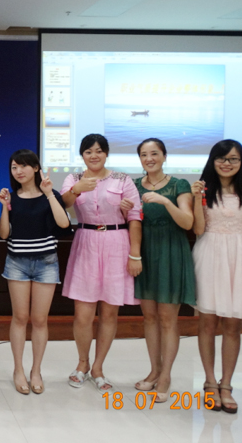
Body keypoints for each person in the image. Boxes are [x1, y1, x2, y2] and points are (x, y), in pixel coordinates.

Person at [60, 133, 142, 392]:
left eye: (98, 151)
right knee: (83, 314)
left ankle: (98, 367)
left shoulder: (122, 179)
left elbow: (135, 217)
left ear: (106, 153)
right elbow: (63, 204)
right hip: (86, 242)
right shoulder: (73, 178)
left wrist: (135, 254)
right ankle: (82, 364)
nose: (93, 155)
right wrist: (77, 189)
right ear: (82, 155)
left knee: (109, 312)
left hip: (117, 243)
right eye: (88, 151)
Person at [122, 138, 195, 403]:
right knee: (149, 317)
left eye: (154, 153)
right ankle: (154, 370)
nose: (149, 159)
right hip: (145, 253)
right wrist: (124, 211)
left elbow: (187, 222)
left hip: (171, 252)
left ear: (164, 156)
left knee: (167, 319)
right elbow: (130, 221)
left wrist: (165, 202)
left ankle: (166, 376)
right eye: (144, 154)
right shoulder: (133, 185)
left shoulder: (179, 185)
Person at [0, 149, 69, 395]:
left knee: (39, 320)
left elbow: (63, 223)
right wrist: (4, 207)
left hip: (46, 263)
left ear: (36, 168)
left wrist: (49, 194)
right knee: (19, 318)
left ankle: (36, 370)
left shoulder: (51, 194)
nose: (19, 171)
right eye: (14, 167)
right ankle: (18, 370)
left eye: (24, 166)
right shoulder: (11, 197)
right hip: (17, 263)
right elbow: (4, 234)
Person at [191, 139, 242, 414]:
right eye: (221, 158)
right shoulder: (204, 190)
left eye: (233, 159)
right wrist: (196, 198)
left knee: (233, 325)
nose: (227, 163)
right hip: (210, 255)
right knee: (208, 323)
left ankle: (227, 384)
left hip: (239, 260)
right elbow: (198, 229)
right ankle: (210, 382)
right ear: (212, 161)